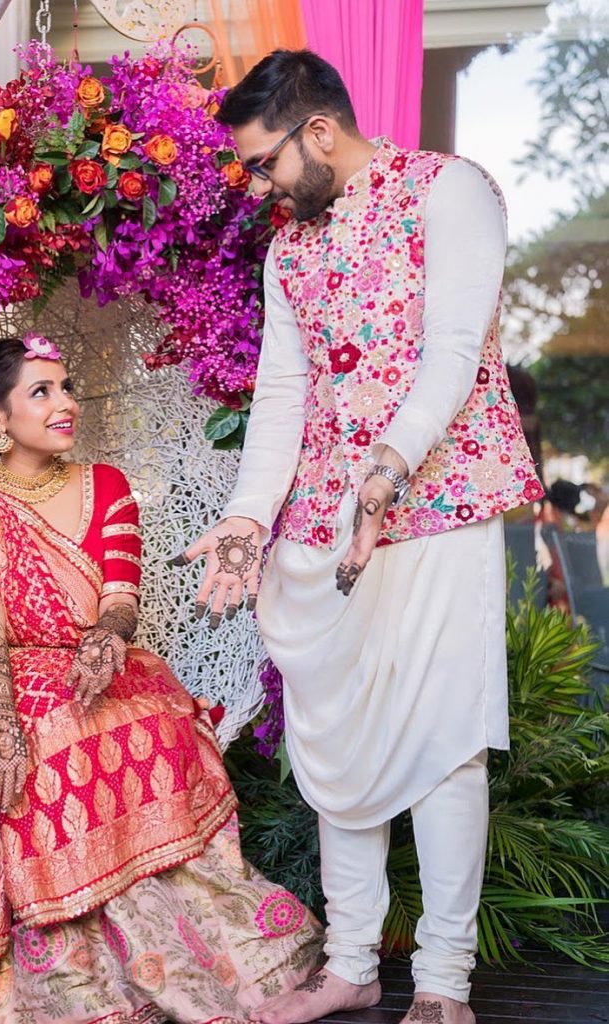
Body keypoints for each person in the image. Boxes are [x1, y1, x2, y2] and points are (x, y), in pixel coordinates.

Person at [172, 50, 543, 1024]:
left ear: (320, 133)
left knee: (442, 740)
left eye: (263, 162)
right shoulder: (286, 251)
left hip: (435, 504)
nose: (256, 184)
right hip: (322, 532)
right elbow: (282, 398)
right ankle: (347, 964)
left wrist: (384, 471)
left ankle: (441, 983)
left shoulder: (445, 191)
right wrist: (249, 518)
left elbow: (453, 349)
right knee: (336, 744)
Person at [0, 336, 322, 1024]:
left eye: (66, 387)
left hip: (100, 660)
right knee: (43, 738)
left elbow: (121, 594)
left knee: (154, 715)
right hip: (1, 669)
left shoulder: (106, 484)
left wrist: (107, 640)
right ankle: (66, 976)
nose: (65, 404)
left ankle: (171, 950)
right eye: (42, 391)